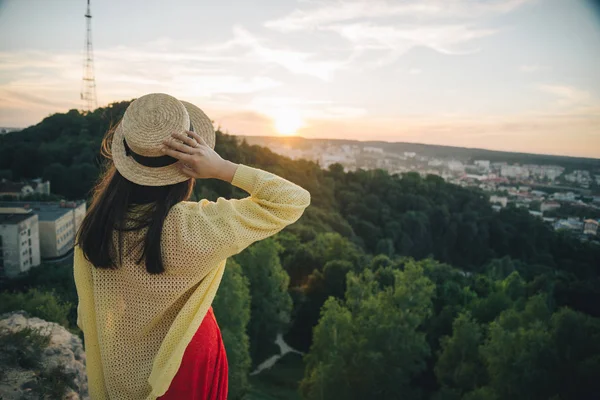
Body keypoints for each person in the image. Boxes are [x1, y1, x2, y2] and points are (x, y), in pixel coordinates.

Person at [74, 93, 311, 400]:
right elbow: (292, 200)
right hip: (187, 360)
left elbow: (87, 316)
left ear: (126, 158)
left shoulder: (95, 227)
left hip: (120, 369)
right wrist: (223, 168)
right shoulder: (196, 227)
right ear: (187, 164)